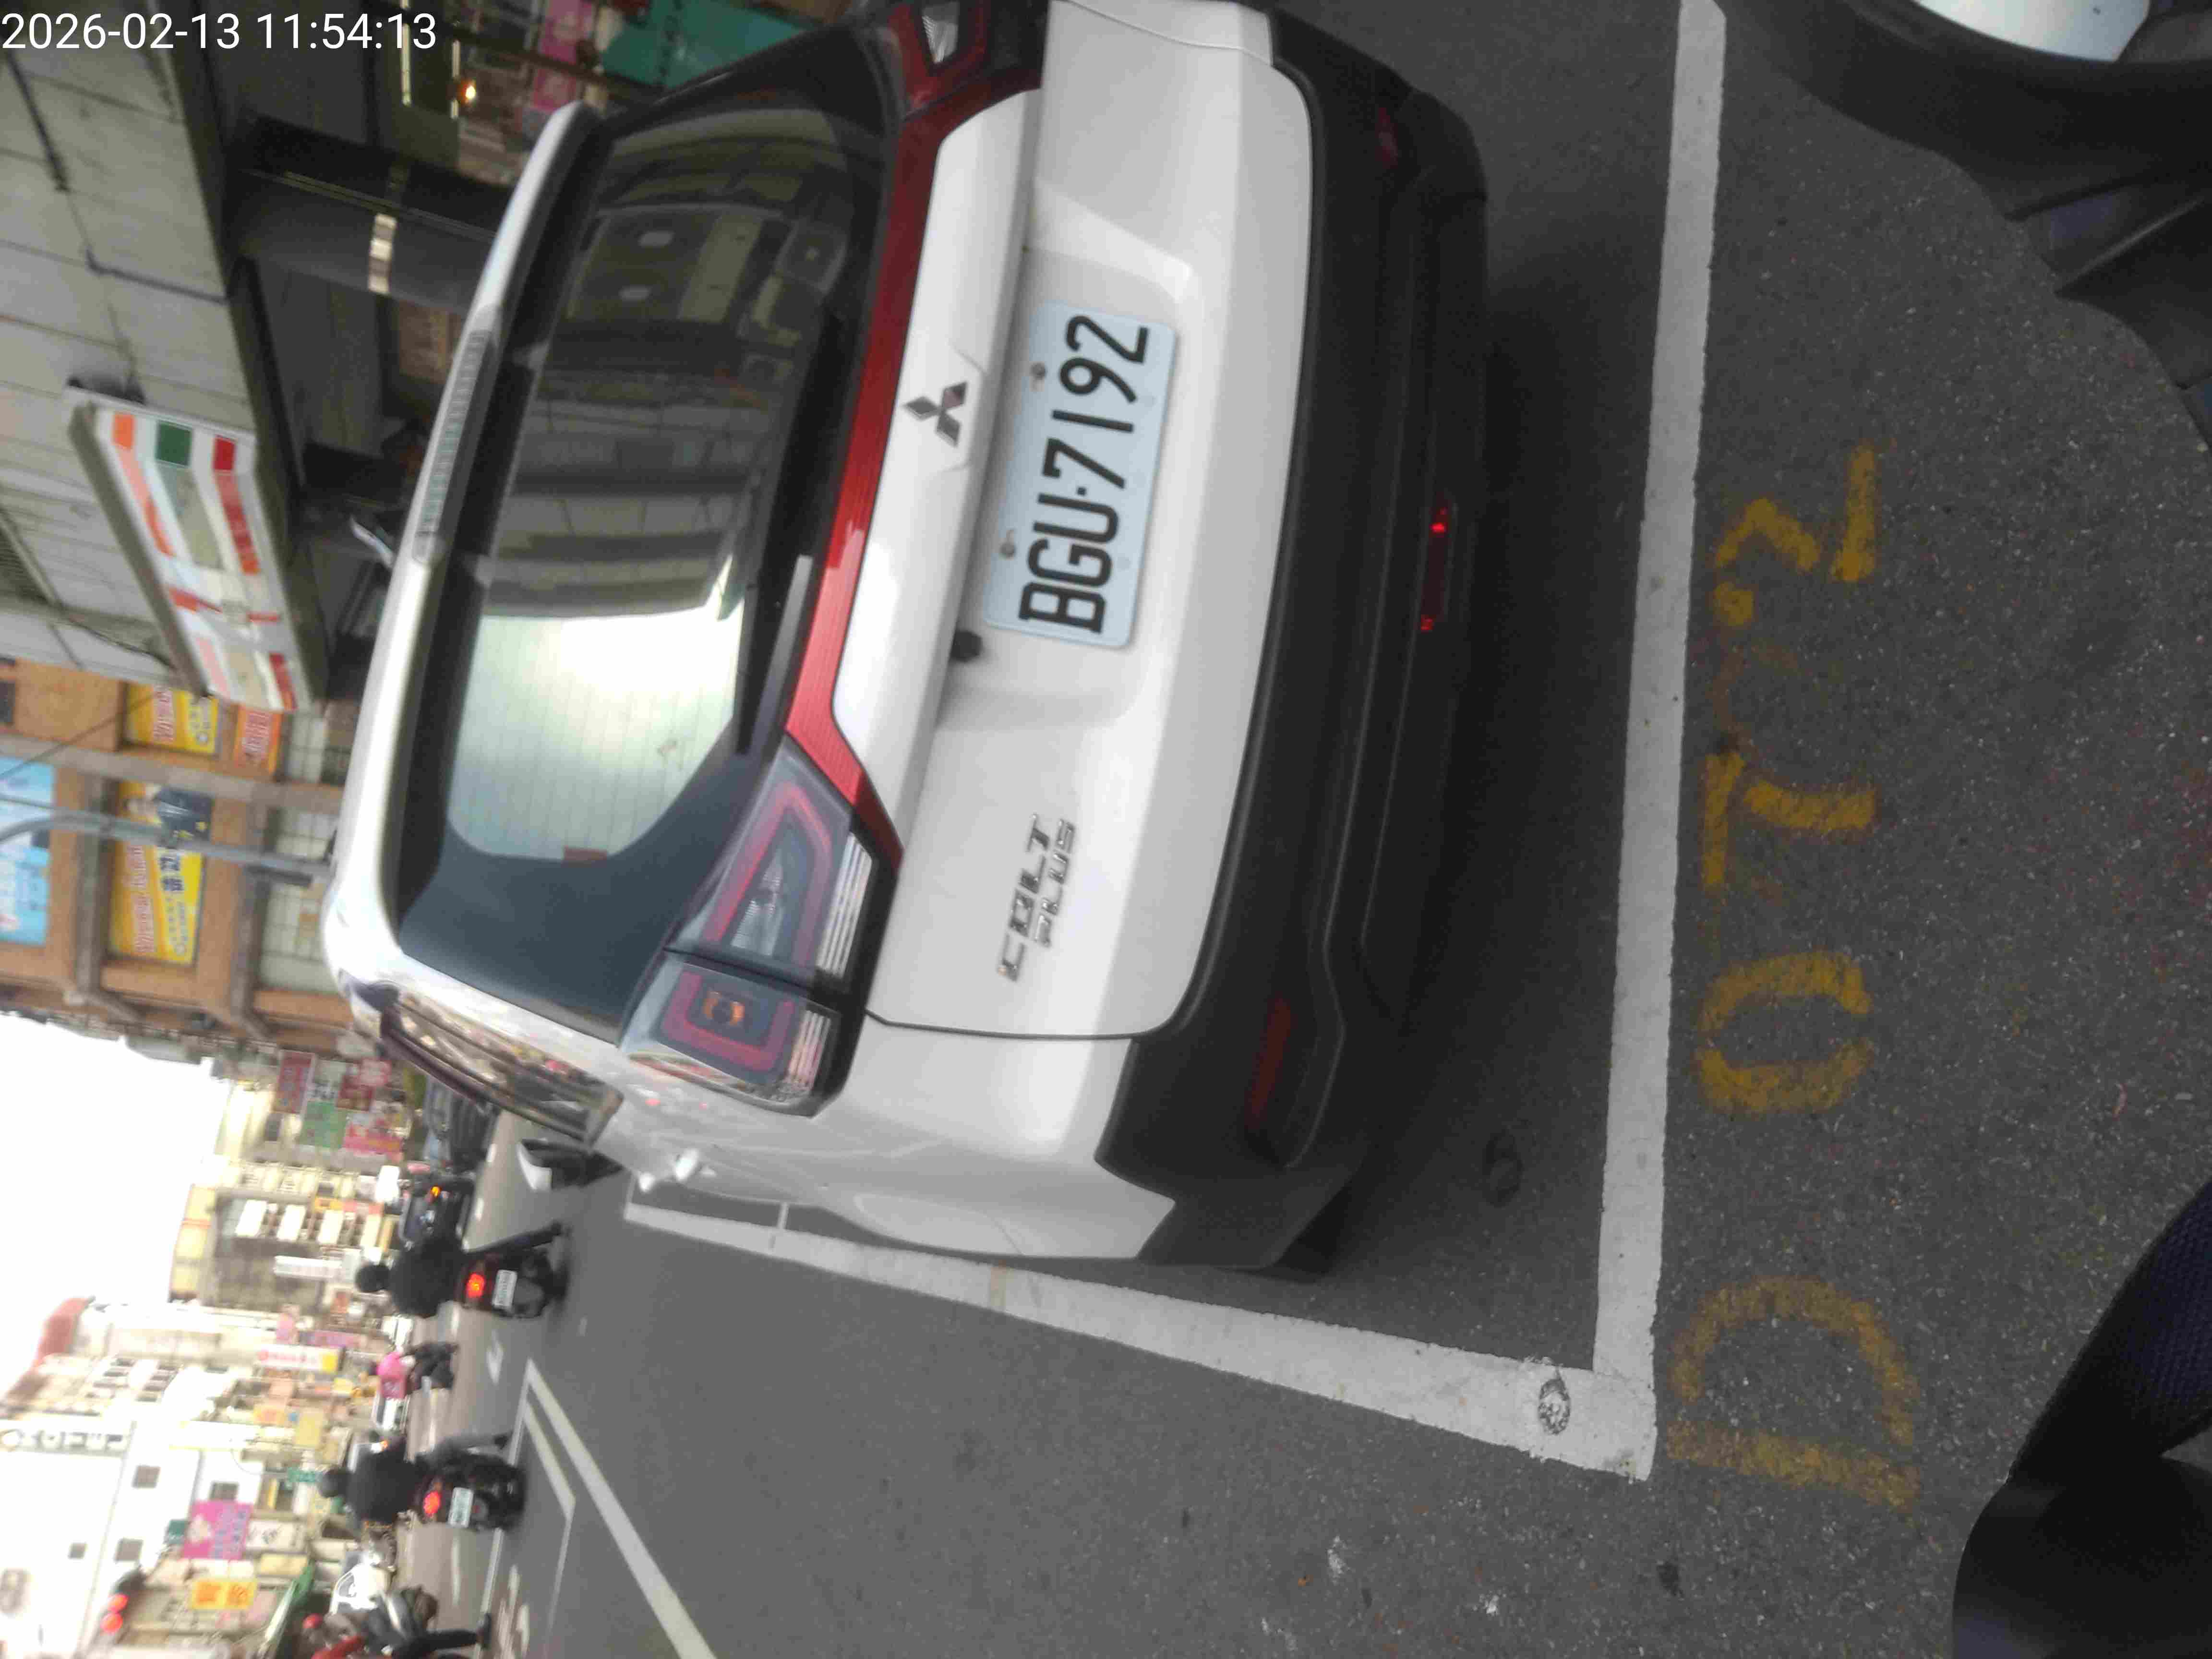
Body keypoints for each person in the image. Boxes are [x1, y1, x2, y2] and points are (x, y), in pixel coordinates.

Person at [354, 1223, 565, 1320]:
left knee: (497, 1310)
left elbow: (429, 1312)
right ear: (376, 1268)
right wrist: (451, 1246)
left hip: (462, 1294)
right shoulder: (404, 1258)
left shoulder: (401, 1303)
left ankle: (523, 1308)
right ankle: (547, 1234)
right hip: (467, 1265)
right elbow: (438, 1241)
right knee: (508, 1248)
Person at [316, 1431, 510, 1527]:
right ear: (339, 1474)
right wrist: (399, 1440)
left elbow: (390, 1519)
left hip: (420, 1505)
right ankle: (495, 1440)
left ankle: (482, 1523)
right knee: (449, 1445)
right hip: (424, 1473)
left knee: (446, 1516)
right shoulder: (365, 1464)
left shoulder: (359, 1511)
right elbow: (398, 1450)